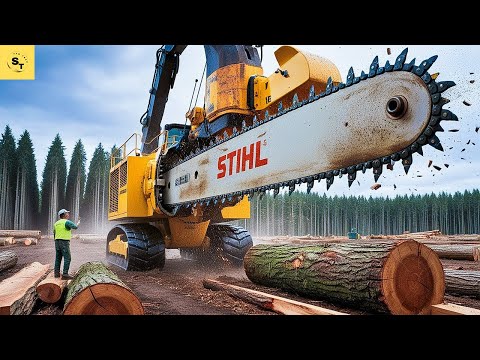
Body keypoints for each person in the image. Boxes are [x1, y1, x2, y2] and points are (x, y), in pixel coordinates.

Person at [53, 209, 80, 280]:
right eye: (67, 213)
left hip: (57, 242)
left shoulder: (56, 223)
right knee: (67, 258)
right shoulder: (66, 222)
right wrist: (78, 223)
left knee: (58, 258)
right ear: (64, 215)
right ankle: (65, 274)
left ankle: (56, 273)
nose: (68, 214)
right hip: (64, 242)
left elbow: (54, 233)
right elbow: (75, 227)